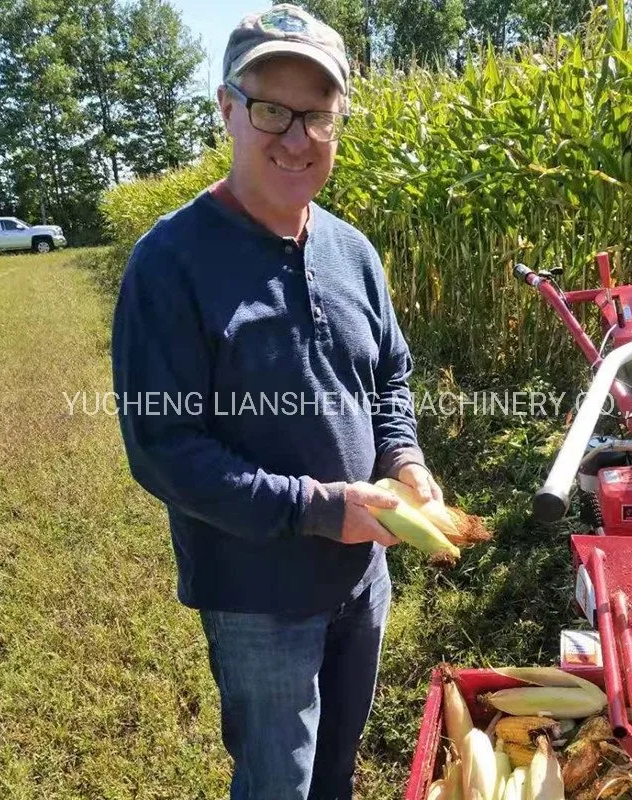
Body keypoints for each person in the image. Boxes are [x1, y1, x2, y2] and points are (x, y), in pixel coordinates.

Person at [110, 4, 441, 798]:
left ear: (338, 123)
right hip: (257, 596)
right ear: (227, 108)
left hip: (362, 579)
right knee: (277, 780)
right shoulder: (171, 263)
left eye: (317, 116)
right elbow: (163, 449)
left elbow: (388, 376)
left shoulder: (352, 251)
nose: (296, 138)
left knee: (335, 767)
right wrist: (319, 509)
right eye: (271, 110)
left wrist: (405, 456)